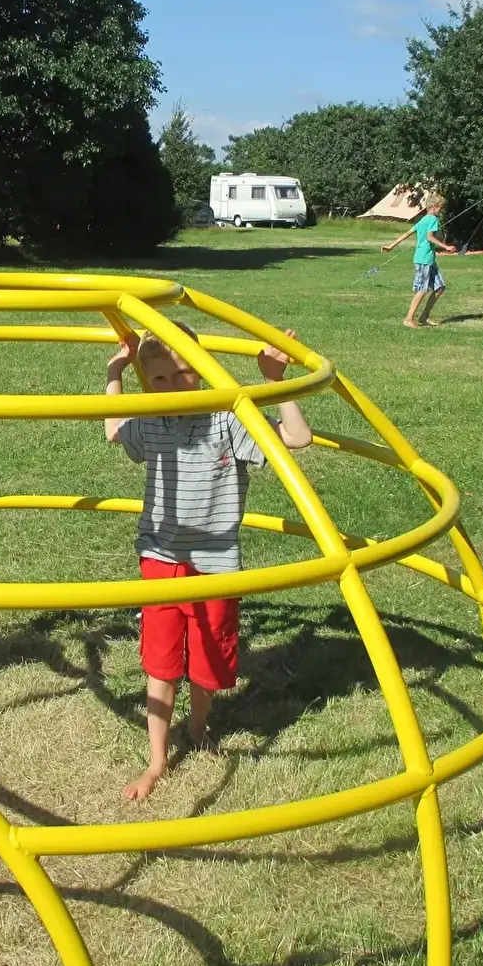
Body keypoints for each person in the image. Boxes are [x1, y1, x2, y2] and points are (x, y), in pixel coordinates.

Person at [105, 325, 313, 800]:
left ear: (201, 371)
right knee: (161, 663)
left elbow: (298, 437)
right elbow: (113, 428)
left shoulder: (227, 420)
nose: (172, 387)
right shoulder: (151, 419)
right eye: (159, 379)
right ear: (147, 382)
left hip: (215, 561)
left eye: (183, 374)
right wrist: (115, 371)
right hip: (160, 557)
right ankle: (157, 760)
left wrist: (273, 380)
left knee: (208, 657)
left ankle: (198, 728)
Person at [380, 194, 456, 328]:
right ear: (434, 207)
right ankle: (408, 319)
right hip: (423, 259)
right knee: (422, 289)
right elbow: (429, 237)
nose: (441, 210)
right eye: (440, 208)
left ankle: (424, 316)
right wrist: (446, 247)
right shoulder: (432, 219)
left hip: (429, 260)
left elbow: (407, 233)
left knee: (440, 287)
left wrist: (391, 246)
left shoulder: (423, 219)